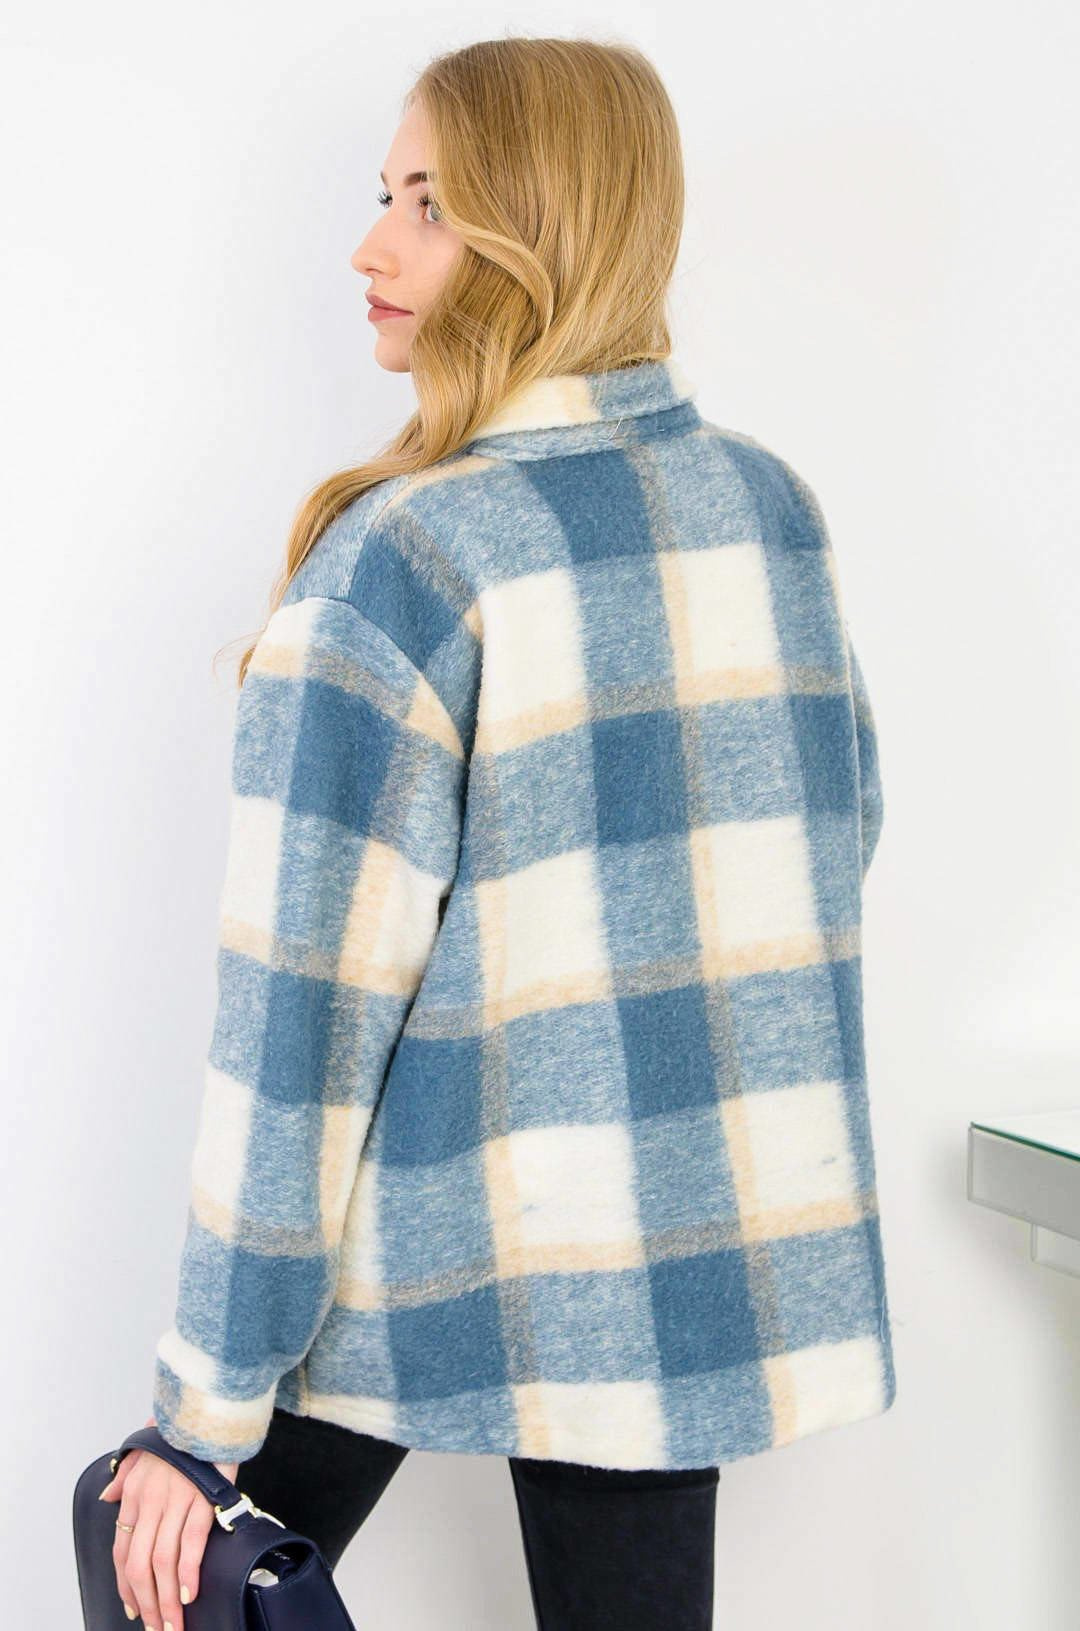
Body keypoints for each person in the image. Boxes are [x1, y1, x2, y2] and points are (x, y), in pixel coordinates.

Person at [96, 34, 894, 1631]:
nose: (370, 247)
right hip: (686, 1266)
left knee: (168, 1574)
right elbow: (832, 837)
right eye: (384, 196)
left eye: (429, 205)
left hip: (444, 1250)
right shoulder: (766, 509)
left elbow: (298, 1025)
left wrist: (201, 1413)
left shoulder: (409, 558)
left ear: (546, 230)